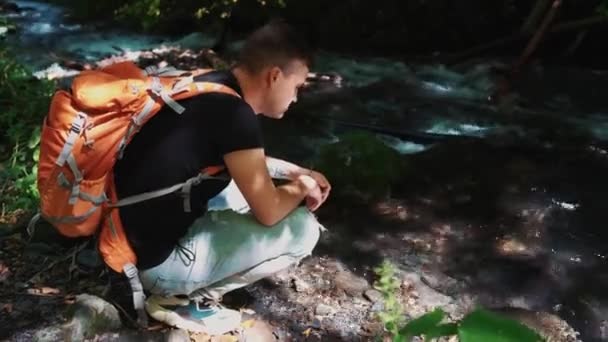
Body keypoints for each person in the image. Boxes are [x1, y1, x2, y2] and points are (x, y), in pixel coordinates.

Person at [112, 19, 331, 334]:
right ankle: (184, 301)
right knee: (304, 229)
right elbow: (269, 214)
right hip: (154, 265)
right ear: (274, 76)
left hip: (122, 231)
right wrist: (302, 186)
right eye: (297, 87)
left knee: (242, 191)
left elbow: (243, 159)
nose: (296, 99)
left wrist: (294, 171)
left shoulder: (212, 85)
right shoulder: (236, 117)